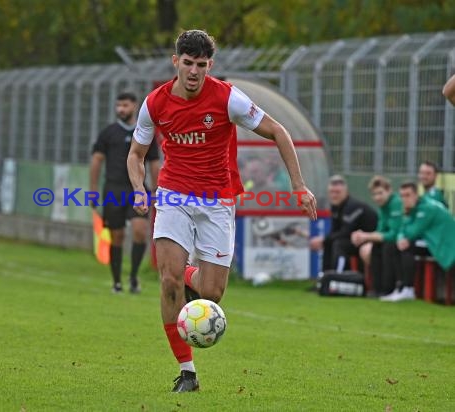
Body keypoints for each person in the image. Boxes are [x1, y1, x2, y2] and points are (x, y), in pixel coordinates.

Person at [126, 29, 317, 392]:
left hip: (217, 200)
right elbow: (136, 154)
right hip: (173, 195)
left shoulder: (228, 98)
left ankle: (188, 274)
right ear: (175, 62)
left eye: (201, 65)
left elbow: (278, 131)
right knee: (168, 282)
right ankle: (187, 372)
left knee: (212, 294)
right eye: (188, 63)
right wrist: (140, 189)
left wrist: (298, 185)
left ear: (209, 65)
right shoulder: (155, 103)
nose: (194, 72)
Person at [90, 92, 160, 294]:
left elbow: (154, 163)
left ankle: (133, 277)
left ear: (135, 106)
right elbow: (96, 161)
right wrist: (93, 191)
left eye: (125, 105)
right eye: (118, 105)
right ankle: (117, 282)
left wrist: (155, 191)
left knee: (140, 231)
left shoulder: (145, 132)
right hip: (113, 189)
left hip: (137, 190)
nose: (121, 109)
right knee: (117, 235)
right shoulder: (109, 132)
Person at [351, 176, 415, 300]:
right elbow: (380, 232)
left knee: (388, 246)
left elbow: (394, 234)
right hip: (394, 241)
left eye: (380, 193)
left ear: (389, 190)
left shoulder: (396, 203)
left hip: (405, 241)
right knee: (376, 246)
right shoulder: (382, 207)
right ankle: (376, 289)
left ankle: (388, 289)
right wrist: (363, 236)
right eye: (374, 194)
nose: (377, 197)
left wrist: (366, 236)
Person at [310, 175, 377, 273]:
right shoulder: (335, 207)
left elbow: (345, 232)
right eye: (332, 192)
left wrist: (323, 239)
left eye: (337, 192)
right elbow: (335, 231)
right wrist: (324, 240)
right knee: (329, 243)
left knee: (339, 244)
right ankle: (325, 279)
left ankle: (338, 277)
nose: (334, 195)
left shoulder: (352, 206)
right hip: (355, 240)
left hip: (371, 240)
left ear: (346, 192)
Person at [397, 182, 455, 275]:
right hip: (436, 243)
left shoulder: (427, 208)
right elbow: (402, 230)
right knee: (399, 244)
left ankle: (408, 287)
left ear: (416, 195)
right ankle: (400, 286)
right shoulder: (416, 207)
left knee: (407, 246)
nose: (404, 199)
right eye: (402, 196)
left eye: (407, 195)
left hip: (447, 247)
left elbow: (412, 232)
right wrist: (400, 238)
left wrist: (405, 217)